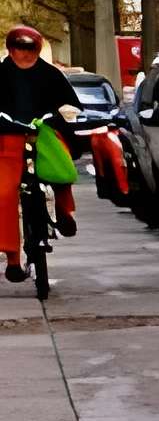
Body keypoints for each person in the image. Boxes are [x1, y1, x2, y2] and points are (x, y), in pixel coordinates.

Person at [0, 23, 81, 281]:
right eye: (19, 48)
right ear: (10, 50)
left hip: (45, 133)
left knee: (61, 167)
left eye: (30, 48)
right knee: (3, 194)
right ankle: (13, 259)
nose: (24, 54)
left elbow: (69, 104)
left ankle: (65, 212)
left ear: (38, 49)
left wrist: (66, 115)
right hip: (7, 138)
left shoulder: (51, 74)